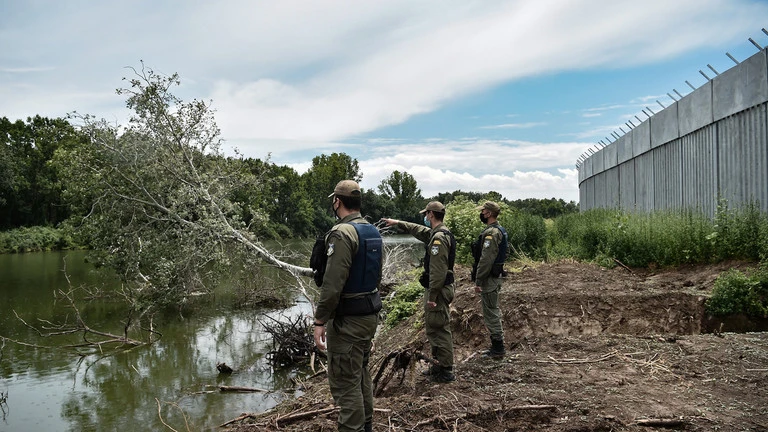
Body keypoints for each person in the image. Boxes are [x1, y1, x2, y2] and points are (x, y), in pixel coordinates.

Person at [313, 180, 383, 432]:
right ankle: (365, 427)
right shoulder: (373, 231)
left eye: (334, 201)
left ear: (337, 202)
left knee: (345, 383)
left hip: (348, 322)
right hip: (368, 315)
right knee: (360, 374)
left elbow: (332, 286)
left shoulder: (342, 233)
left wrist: (319, 321)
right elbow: (377, 278)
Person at [381, 201, 456, 383]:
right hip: (438, 290)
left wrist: (432, 296)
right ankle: (438, 365)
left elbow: (438, 272)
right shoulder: (437, 233)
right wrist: (397, 222)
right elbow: (418, 230)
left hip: (437, 291)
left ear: (431, 214)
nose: (424, 217)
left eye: (426, 214)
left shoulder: (438, 238)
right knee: (433, 327)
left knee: (439, 328)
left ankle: (446, 370)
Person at [472, 201, 508, 359]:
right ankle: (496, 346)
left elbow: (486, 259)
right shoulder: (496, 230)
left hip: (490, 279)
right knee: (491, 311)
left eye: (484, 211)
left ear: (488, 213)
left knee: (491, 312)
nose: (482, 214)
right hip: (493, 276)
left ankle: (498, 348)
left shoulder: (492, 233)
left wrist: (478, 280)